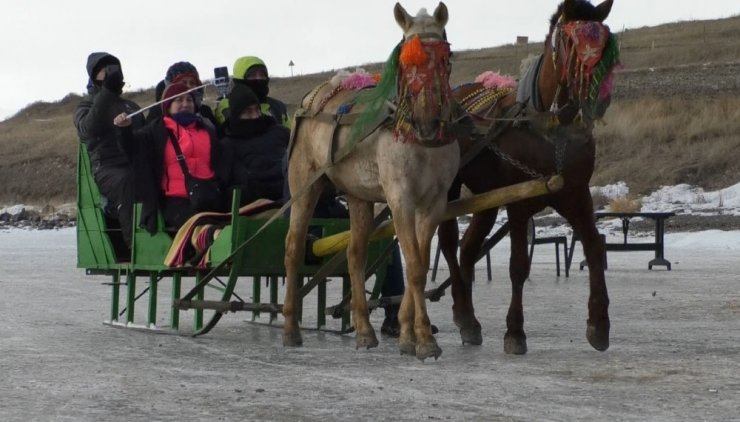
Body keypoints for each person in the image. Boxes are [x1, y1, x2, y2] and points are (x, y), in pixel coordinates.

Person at [113, 82, 228, 230]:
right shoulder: (155, 131)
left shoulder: (207, 128)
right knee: (205, 229)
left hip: (210, 196)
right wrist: (124, 130)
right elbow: (130, 147)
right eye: (179, 100)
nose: (185, 104)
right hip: (176, 202)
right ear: (168, 105)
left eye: (189, 100)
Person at [73, 52, 145, 249]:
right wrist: (107, 92)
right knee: (125, 180)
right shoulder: (86, 105)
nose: (110, 73)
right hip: (106, 165)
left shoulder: (131, 106)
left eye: (114, 70)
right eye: (105, 71)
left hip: (134, 160)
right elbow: (89, 129)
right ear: (94, 75)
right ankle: (135, 246)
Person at [221, 84, 289, 205]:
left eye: (257, 110)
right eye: (248, 112)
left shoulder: (279, 132)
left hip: (292, 189)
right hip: (257, 203)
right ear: (237, 115)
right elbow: (226, 187)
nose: (255, 116)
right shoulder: (228, 145)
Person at [215, 56, 290, 133]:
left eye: (262, 75)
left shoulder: (278, 106)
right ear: (239, 80)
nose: (258, 79)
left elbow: (290, 135)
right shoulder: (228, 105)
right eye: (252, 75)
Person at [146, 61, 217, 128]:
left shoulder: (205, 111)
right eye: (183, 83)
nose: (188, 87)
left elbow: (218, 138)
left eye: (192, 83)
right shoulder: (157, 112)